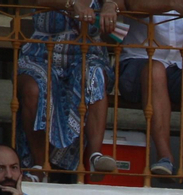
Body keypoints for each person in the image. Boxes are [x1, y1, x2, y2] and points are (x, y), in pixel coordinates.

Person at [119, 0, 183, 178]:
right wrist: (172, 4)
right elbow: (133, 5)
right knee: (156, 70)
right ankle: (164, 157)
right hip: (139, 62)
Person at [15, 0, 117, 177]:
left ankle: (95, 156)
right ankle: (40, 165)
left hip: (86, 53)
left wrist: (111, 5)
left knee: (95, 75)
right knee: (34, 87)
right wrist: (72, 4)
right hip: (41, 54)